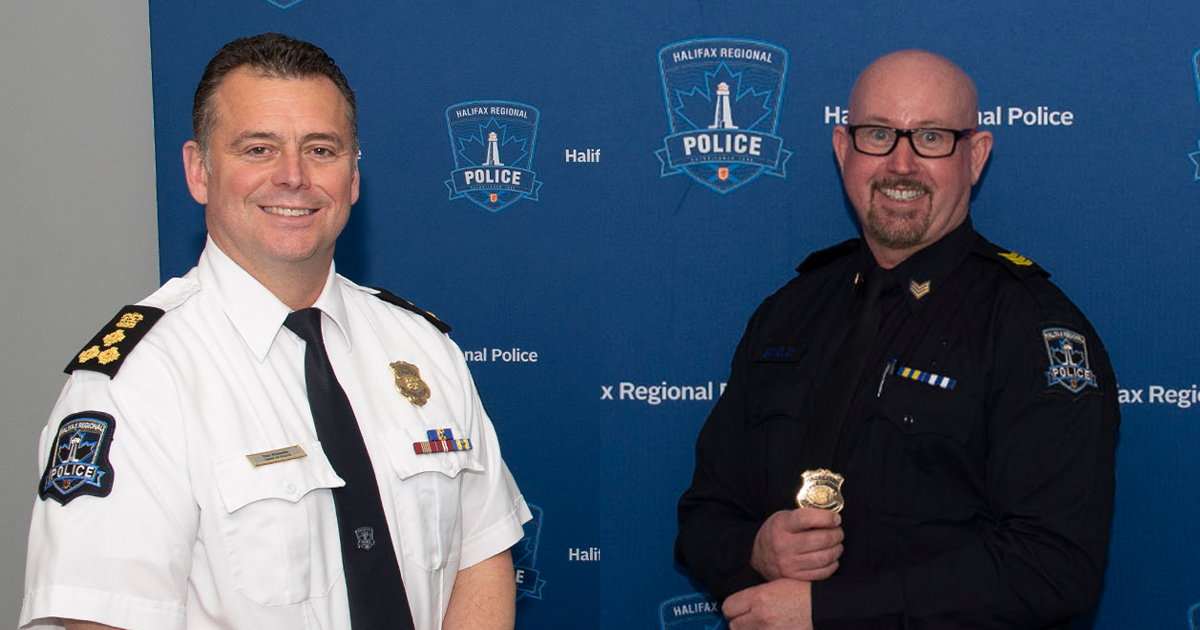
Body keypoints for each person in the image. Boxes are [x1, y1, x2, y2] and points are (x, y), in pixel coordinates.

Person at [21, 33, 531, 630]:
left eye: (321, 149)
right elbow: (102, 619)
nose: (293, 177)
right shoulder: (136, 383)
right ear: (199, 171)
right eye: (258, 149)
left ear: (354, 176)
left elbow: (481, 557)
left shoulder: (423, 347)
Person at [675, 50, 1119, 629]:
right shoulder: (787, 313)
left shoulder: (1031, 329)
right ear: (843, 150)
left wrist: (827, 613)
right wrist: (754, 548)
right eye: (878, 134)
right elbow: (704, 517)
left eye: (931, 137)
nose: (901, 164)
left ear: (975, 156)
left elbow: (1056, 566)